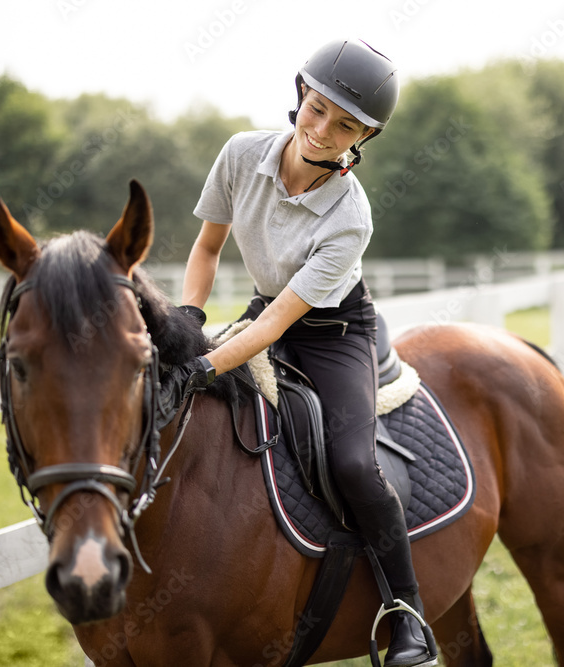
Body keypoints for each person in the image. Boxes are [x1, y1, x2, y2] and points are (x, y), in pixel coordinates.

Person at [178, 39, 436, 667]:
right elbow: (208, 250)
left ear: (364, 137)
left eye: (345, 125)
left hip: (331, 332)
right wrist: (188, 322)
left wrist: (207, 364)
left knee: (351, 461)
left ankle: (408, 614)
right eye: (316, 109)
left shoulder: (352, 214)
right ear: (300, 94)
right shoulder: (241, 154)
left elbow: (274, 329)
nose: (321, 131)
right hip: (267, 307)